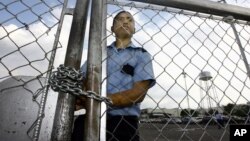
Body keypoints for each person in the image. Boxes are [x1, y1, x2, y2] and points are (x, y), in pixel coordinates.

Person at [72, 11, 155, 141]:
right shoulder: (98, 53)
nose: (125, 21)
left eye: (129, 19)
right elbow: (81, 79)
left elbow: (138, 93)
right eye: (120, 19)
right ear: (112, 29)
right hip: (91, 117)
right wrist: (84, 95)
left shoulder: (141, 54)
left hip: (124, 121)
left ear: (134, 29)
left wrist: (95, 100)